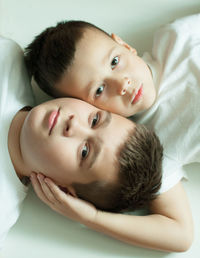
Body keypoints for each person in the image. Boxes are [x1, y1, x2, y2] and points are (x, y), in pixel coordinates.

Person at [25, 13, 200, 251]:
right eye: (99, 90)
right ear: (86, 107)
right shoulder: (148, 145)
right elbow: (180, 236)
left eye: (115, 62)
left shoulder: (175, 36)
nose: (122, 84)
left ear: (124, 45)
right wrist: (92, 218)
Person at [0, 37, 163, 249]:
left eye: (85, 152)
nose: (74, 124)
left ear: (64, 191)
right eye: (95, 119)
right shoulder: (8, 59)